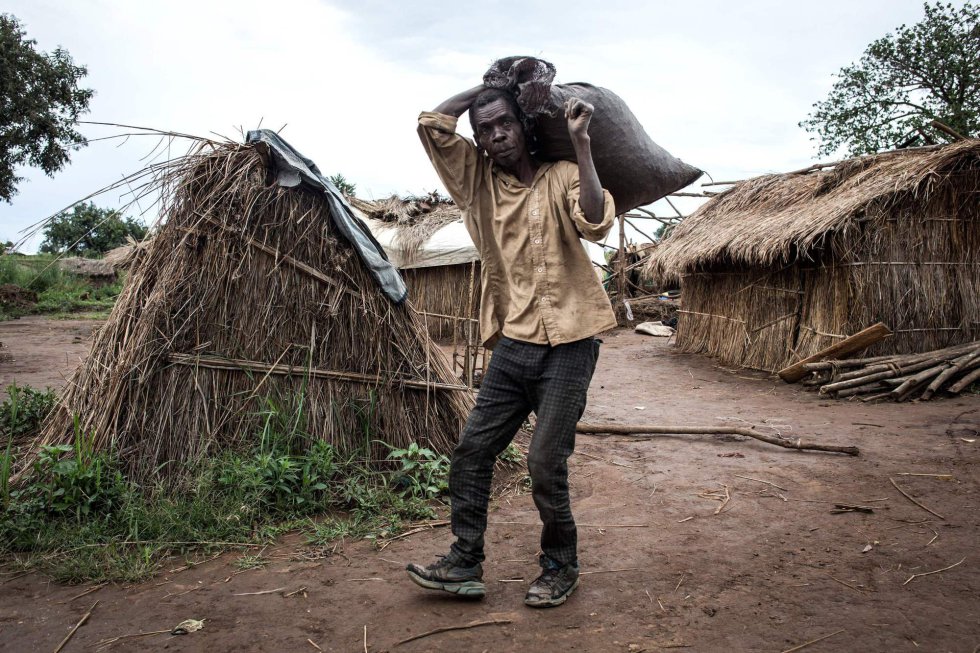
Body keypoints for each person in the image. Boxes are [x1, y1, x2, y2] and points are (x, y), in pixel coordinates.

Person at [406, 84, 617, 608]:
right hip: (514, 345)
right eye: (485, 130)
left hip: (571, 343)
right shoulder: (478, 186)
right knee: (472, 452)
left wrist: (581, 143)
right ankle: (464, 562)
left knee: (545, 461)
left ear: (523, 127)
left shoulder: (563, 175)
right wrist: (490, 83)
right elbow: (432, 124)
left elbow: (597, 221)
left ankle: (560, 566)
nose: (496, 136)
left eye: (504, 124)